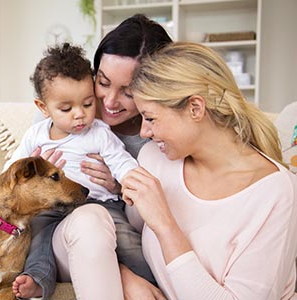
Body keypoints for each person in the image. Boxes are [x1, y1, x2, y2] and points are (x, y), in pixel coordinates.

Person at [120, 41, 297, 299]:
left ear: (195, 108)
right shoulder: (154, 160)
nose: (144, 132)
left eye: (150, 118)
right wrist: (124, 276)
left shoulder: (274, 192)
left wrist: (165, 225)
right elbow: (122, 237)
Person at [13, 14, 172, 300]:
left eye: (128, 91)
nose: (109, 102)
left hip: (105, 216)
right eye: (103, 82)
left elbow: (146, 204)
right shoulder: (54, 114)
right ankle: (38, 278)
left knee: (113, 230)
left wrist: (119, 185)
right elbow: (14, 174)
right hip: (60, 223)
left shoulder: (156, 137)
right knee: (48, 234)